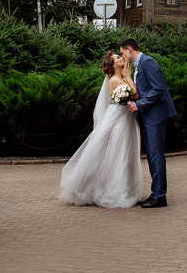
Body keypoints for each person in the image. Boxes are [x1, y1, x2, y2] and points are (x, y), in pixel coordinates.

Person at [58, 51, 142, 208]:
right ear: (113, 65)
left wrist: (127, 77)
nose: (121, 58)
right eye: (118, 58)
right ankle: (116, 192)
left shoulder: (122, 78)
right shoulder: (115, 80)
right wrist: (128, 76)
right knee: (118, 152)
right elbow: (135, 94)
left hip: (125, 118)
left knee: (125, 152)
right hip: (118, 119)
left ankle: (125, 189)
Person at [119, 38, 176, 208]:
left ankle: (159, 196)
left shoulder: (147, 62)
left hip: (155, 116)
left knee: (155, 155)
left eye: (122, 52)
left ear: (129, 49)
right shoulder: (139, 64)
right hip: (149, 115)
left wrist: (139, 105)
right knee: (152, 155)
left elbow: (158, 90)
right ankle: (156, 193)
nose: (122, 56)